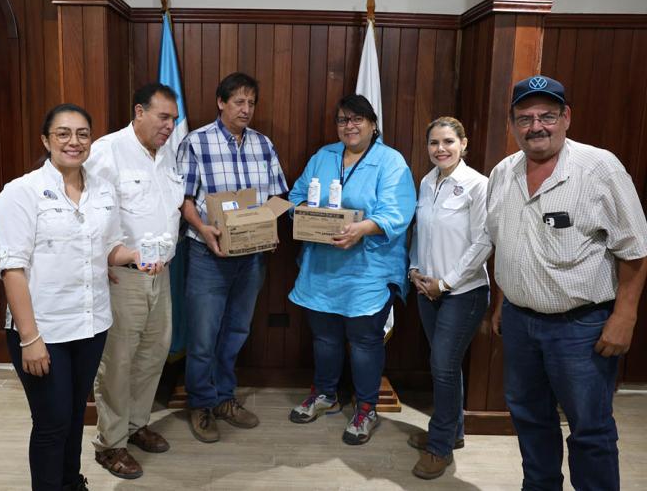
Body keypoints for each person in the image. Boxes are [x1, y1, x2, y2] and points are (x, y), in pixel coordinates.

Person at [487, 75, 647, 491]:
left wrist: (625, 316)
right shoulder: (503, 173)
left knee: (590, 430)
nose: (536, 126)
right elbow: (506, 241)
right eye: (524, 118)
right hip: (521, 325)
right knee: (529, 419)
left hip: (581, 328)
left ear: (566, 118)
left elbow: (634, 249)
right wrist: (504, 298)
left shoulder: (600, 169)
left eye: (547, 116)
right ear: (512, 124)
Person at [0, 104, 145, 491]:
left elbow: (107, 248)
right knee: (52, 421)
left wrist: (134, 257)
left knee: (76, 414)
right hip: (43, 329)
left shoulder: (102, 189)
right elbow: (12, 269)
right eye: (63, 133)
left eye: (82, 134)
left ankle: (71, 482)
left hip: (92, 324)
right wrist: (29, 338)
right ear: (46, 140)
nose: (73, 142)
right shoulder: (21, 192)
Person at [287, 94, 416, 445]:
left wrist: (361, 229)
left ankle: (366, 408)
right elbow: (296, 196)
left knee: (363, 341)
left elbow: (398, 212)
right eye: (343, 120)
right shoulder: (323, 156)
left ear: (373, 124)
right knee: (325, 337)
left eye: (358, 119)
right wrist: (307, 218)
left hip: (368, 268)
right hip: (322, 266)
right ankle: (326, 394)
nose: (350, 126)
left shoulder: (391, 161)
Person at [177, 72, 288, 443]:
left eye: (251, 103)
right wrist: (204, 230)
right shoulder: (196, 142)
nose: (246, 109)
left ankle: (225, 397)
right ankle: (202, 403)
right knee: (204, 335)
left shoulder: (263, 144)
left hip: (251, 257)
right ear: (221, 102)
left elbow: (277, 196)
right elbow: (184, 200)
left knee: (237, 330)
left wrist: (269, 229)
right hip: (208, 254)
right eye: (239, 101)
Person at [85, 83, 182, 479]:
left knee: (153, 353)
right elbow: (88, 213)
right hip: (123, 276)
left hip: (162, 274)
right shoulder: (107, 152)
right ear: (139, 111)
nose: (170, 126)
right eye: (163, 117)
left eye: (174, 119)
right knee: (118, 362)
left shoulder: (167, 153)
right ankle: (110, 444)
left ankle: (136, 423)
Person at [407, 117, 492, 479]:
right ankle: (453, 432)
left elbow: (484, 242)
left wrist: (447, 283)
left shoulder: (478, 185)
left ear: (464, 144)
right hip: (427, 290)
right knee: (446, 366)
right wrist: (413, 269)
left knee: (442, 365)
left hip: (464, 293)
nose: (440, 149)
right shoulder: (427, 182)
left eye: (448, 142)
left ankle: (439, 447)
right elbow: (420, 232)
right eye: (433, 143)